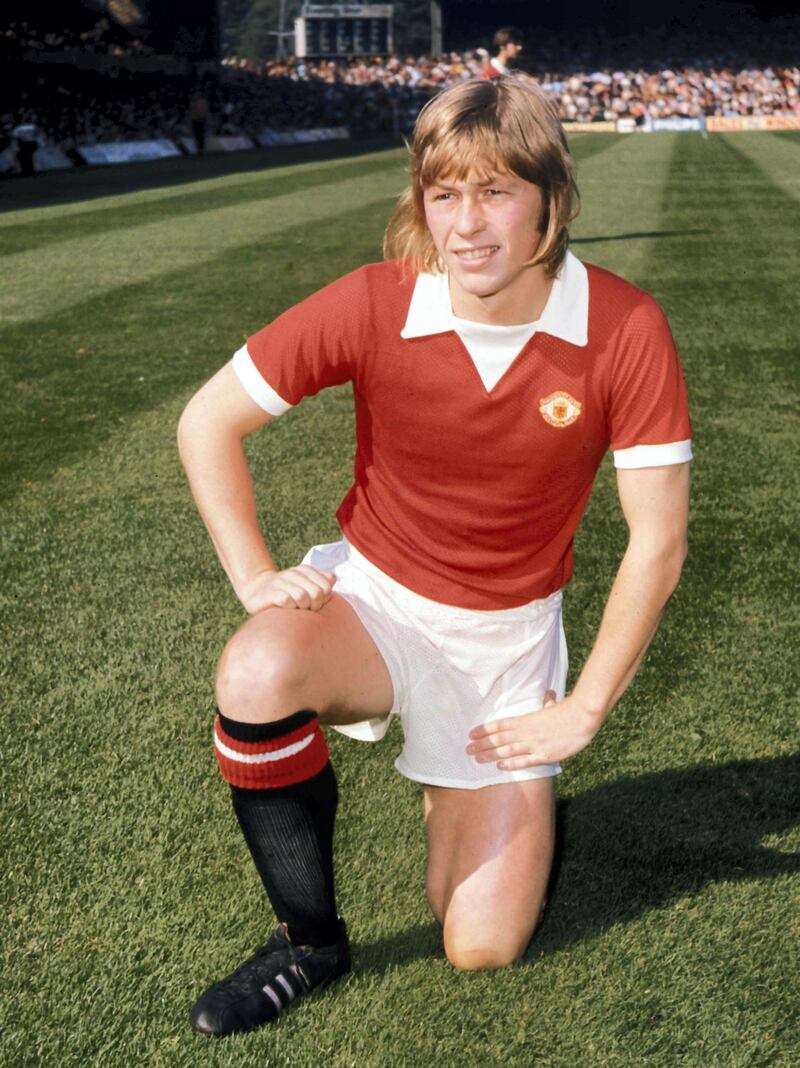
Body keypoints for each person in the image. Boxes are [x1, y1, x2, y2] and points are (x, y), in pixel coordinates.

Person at [178, 75, 691, 1037]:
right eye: (443, 193)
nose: (465, 224)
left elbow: (658, 543)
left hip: (505, 646)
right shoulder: (379, 302)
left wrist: (584, 711)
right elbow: (208, 422)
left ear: (551, 195)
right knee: (256, 669)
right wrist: (254, 576)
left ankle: (478, 786)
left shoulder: (624, 327)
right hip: (375, 606)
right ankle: (307, 939)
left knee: (479, 946)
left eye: (495, 191)